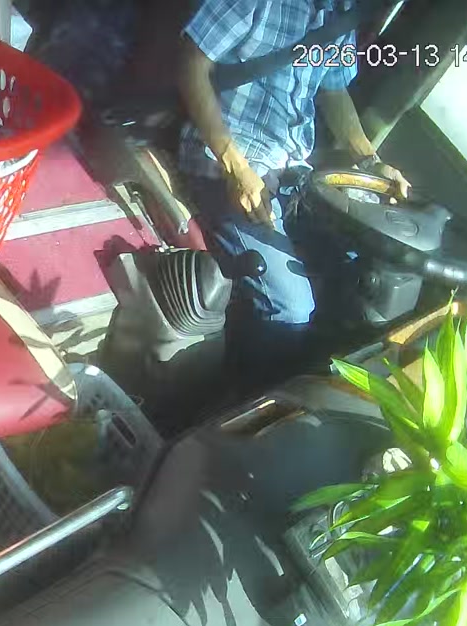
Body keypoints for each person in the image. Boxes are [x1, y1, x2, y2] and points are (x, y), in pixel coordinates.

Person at [174, 0, 411, 384]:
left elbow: (333, 89)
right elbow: (190, 64)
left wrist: (370, 161)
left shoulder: (341, 13)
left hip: (293, 172)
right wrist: (237, 168)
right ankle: (247, 398)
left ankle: (314, 377)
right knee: (291, 308)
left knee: (359, 269)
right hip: (225, 164)